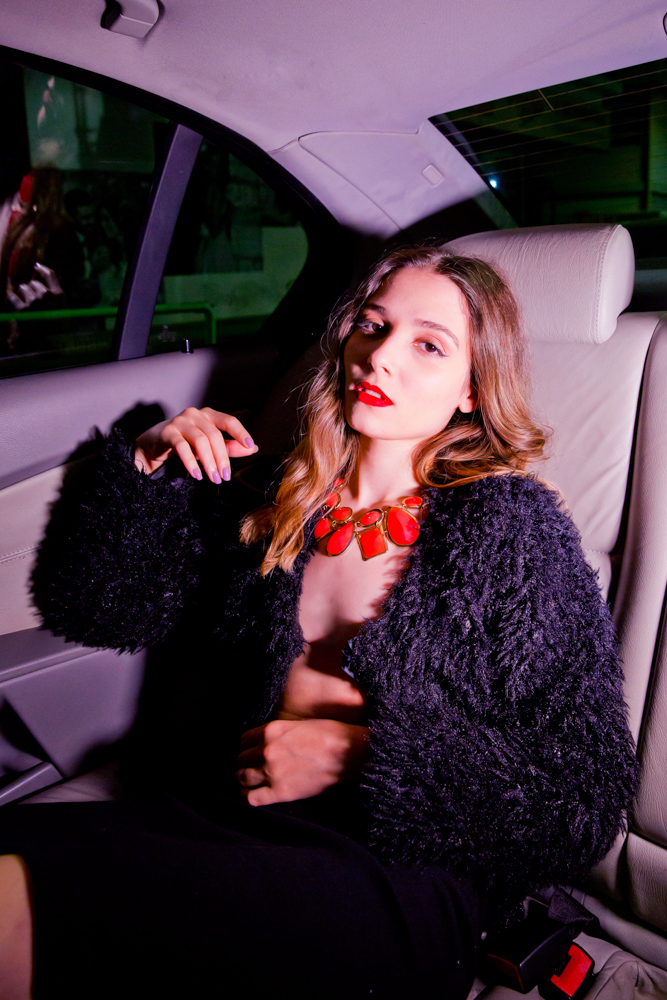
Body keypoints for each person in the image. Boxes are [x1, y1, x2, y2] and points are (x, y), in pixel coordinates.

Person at [0, 245, 640, 1000]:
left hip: (395, 876)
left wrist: (361, 758)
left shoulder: (510, 532)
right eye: (372, 326)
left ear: (472, 388)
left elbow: (586, 794)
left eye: (428, 345)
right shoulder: (275, 499)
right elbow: (101, 609)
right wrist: (147, 472)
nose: (381, 356)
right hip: (222, 817)